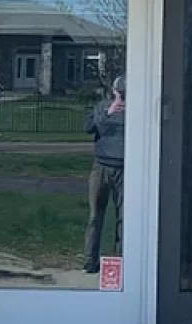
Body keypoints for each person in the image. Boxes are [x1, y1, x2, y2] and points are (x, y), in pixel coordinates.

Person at [82, 76, 125, 273]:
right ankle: (90, 261)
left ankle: (123, 260)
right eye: (119, 92)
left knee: (124, 217)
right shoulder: (103, 107)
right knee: (95, 215)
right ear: (114, 91)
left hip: (125, 168)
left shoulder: (136, 111)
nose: (122, 96)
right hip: (101, 167)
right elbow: (88, 128)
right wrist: (108, 113)